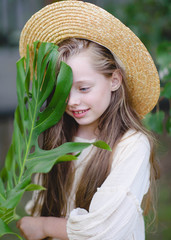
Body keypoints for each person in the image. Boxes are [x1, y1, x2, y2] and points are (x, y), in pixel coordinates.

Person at [16, 0, 160, 239]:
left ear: (114, 80)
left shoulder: (131, 144)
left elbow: (105, 230)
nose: (71, 101)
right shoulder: (57, 135)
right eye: (62, 90)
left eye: (83, 89)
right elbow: (41, 200)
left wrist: (42, 226)